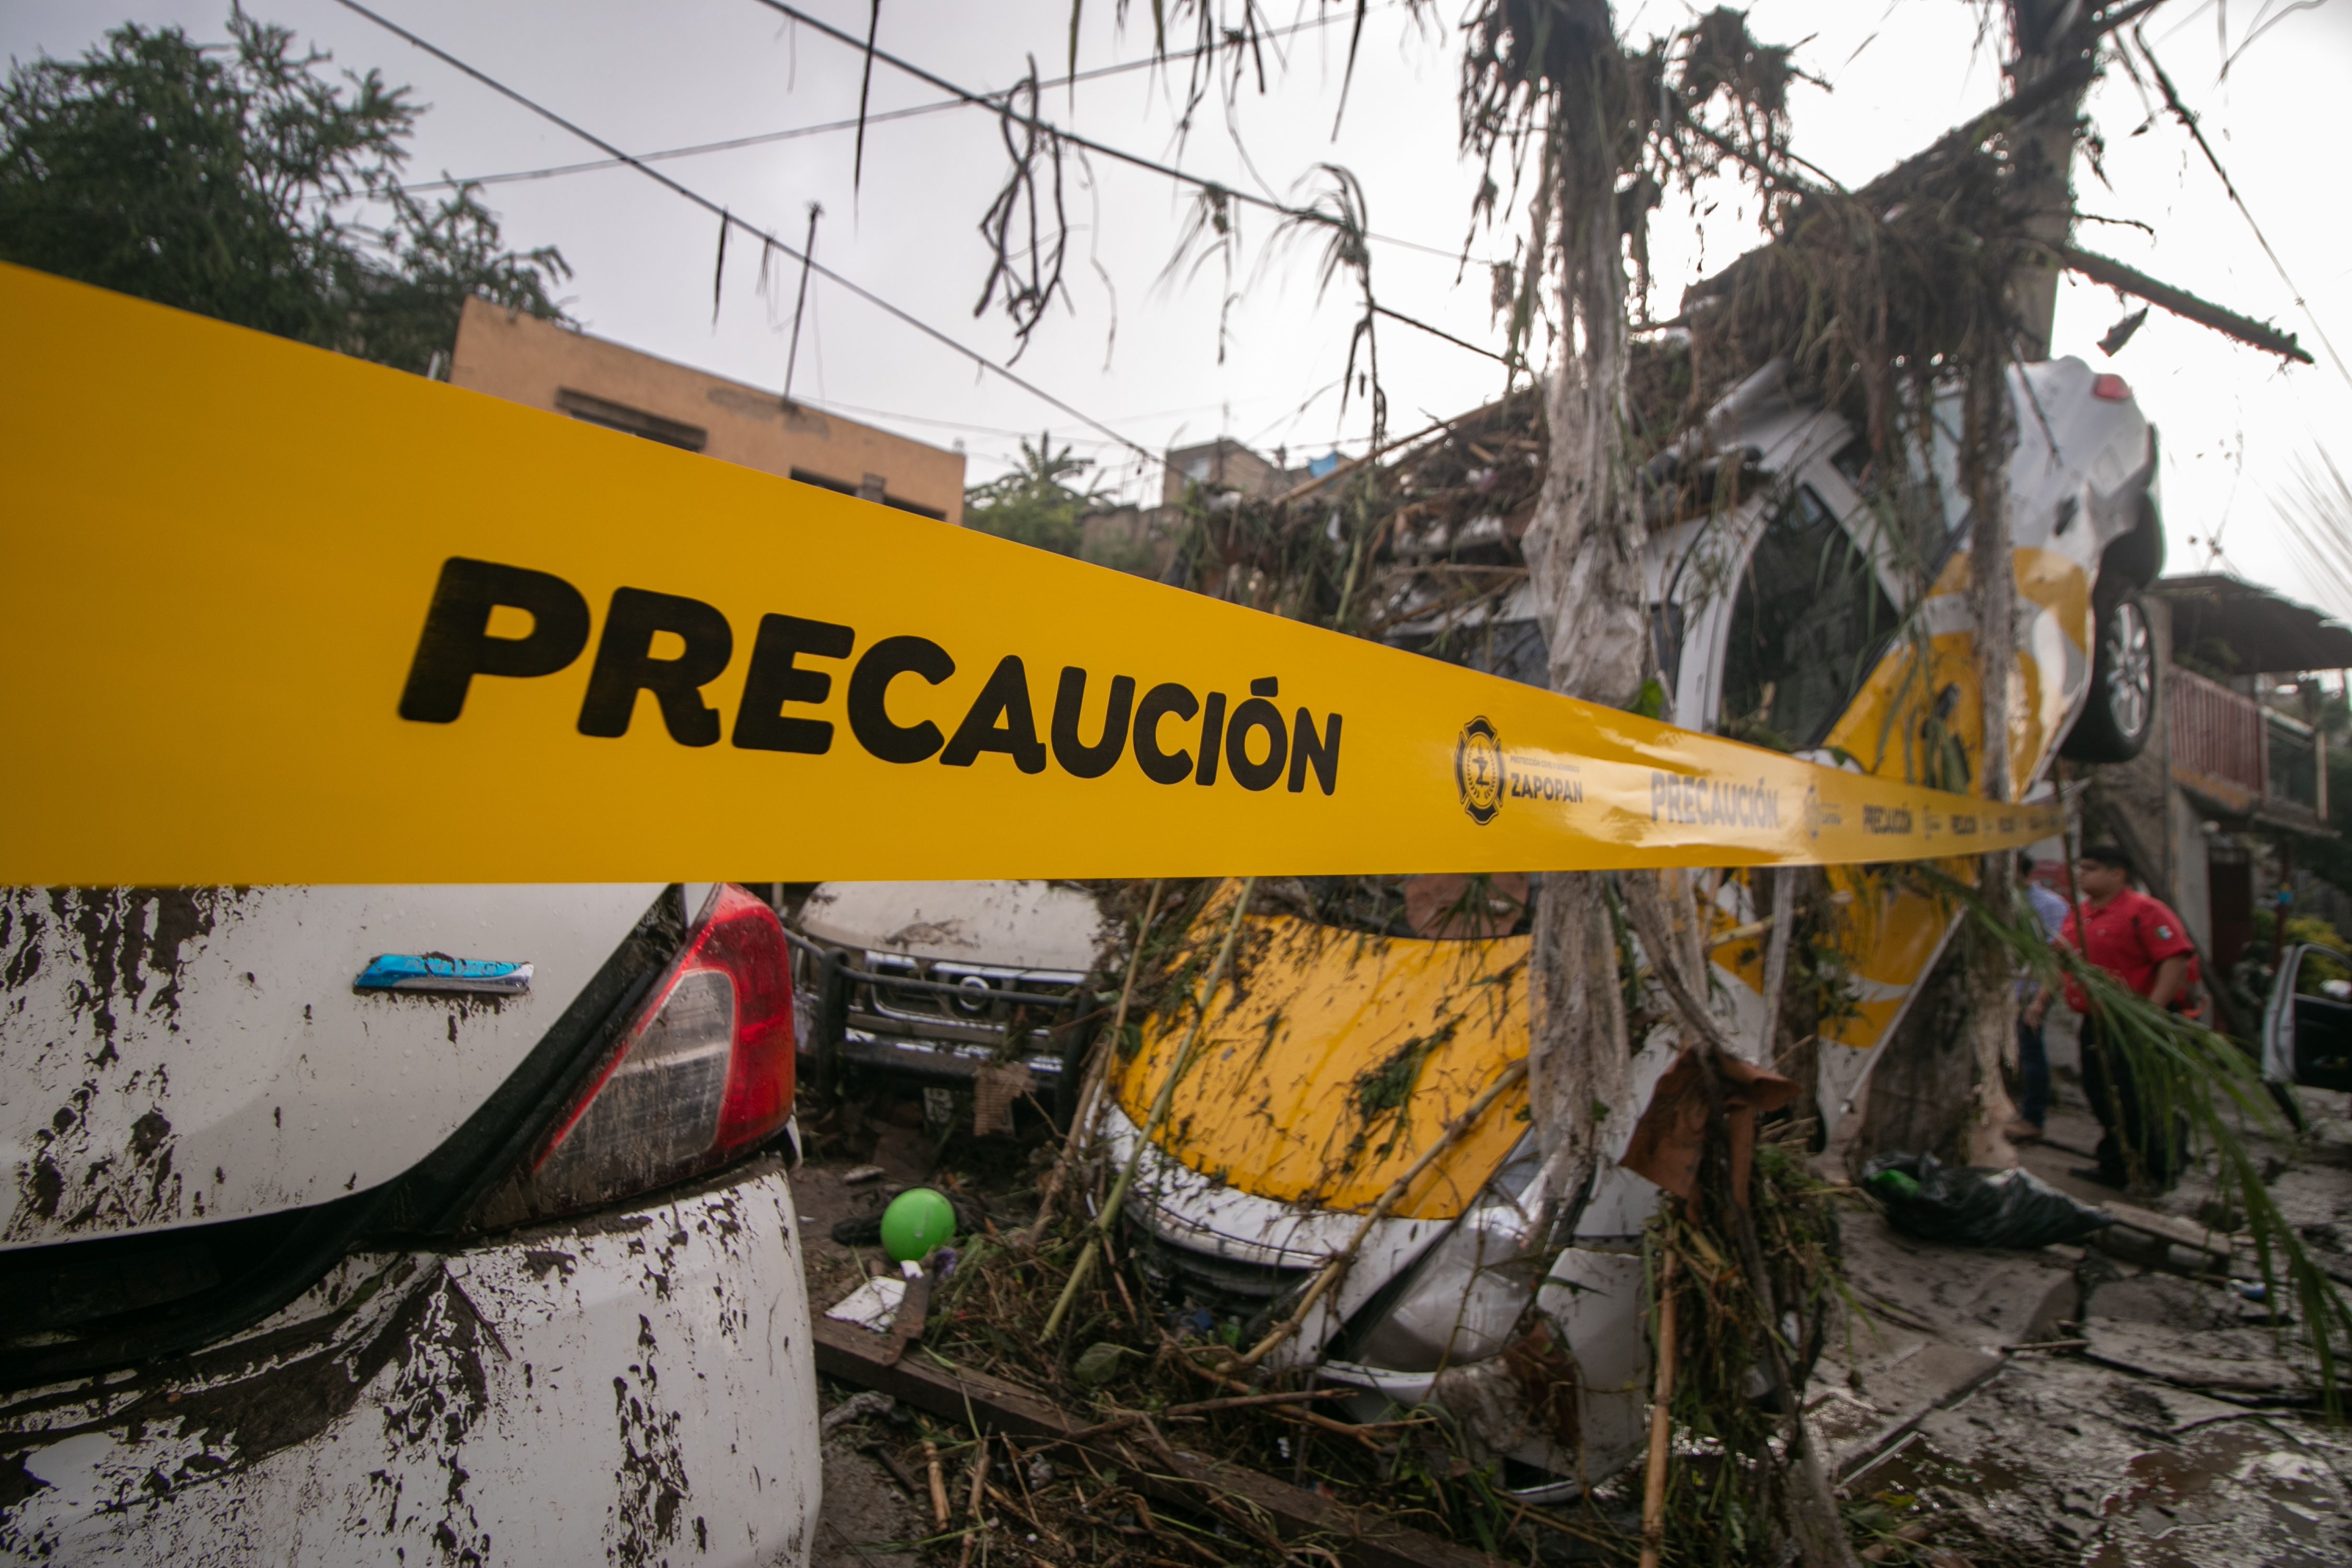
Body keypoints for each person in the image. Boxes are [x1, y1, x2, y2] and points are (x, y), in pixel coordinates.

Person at [2028, 843, 2196, 1189]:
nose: (2081, 874)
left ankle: (2156, 1168)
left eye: (2090, 868)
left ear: (2116, 874)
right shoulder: (2080, 914)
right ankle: (2117, 1163)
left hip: (2136, 1021)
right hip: (2098, 1020)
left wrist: (2153, 1009)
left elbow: (2174, 959)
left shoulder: (2146, 911)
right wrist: (2041, 1001)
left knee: (2137, 1095)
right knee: (2101, 1090)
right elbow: (2061, 961)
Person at [2004, 851, 2071, 1142]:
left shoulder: (2049, 905)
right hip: (2000, 989)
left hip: (2029, 990)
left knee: (2030, 1051)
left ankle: (2033, 1117)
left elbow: (2055, 955)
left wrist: (2040, 997)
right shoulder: (1999, 901)